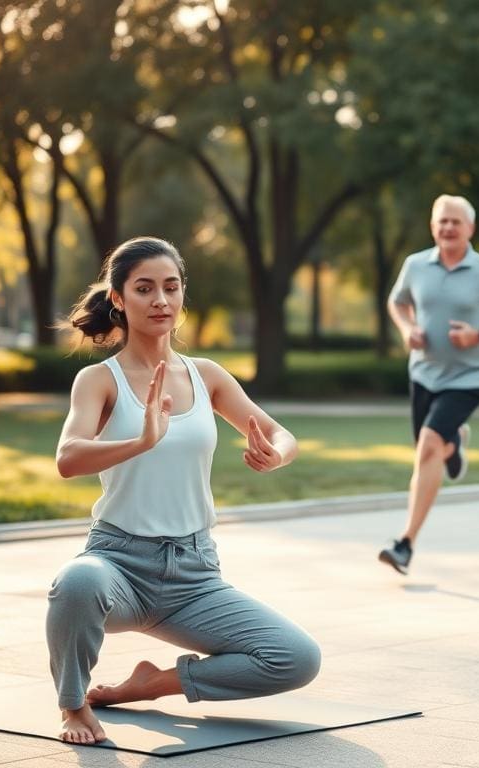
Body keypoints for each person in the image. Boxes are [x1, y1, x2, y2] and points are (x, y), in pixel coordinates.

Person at [48, 237, 320, 744]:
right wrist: (140, 441)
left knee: (297, 658)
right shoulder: (99, 380)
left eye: (170, 288)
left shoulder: (206, 375)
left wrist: (276, 454)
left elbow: (281, 434)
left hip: (194, 574)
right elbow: (68, 457)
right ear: (118, 298)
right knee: (77, 582)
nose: (160, 300)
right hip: (119, 564)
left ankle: (150, 685)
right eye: (144, 289)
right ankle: (73, 705)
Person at [378, 195, 479, 574]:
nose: (448, 227)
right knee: (428, 452)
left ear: (470, 228)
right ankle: (455, 444)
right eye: (442, 221)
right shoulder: (415, 265)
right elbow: (397, 302)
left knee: (428, 446)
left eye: (455, 222)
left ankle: (405, 543)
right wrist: (407, 329)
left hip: (469, 376)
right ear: (433, 226)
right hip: (423, 373)